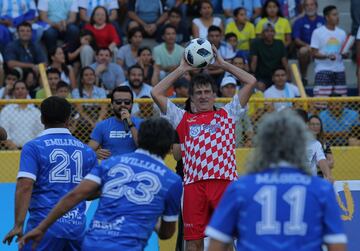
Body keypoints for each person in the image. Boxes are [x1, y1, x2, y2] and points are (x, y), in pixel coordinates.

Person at [17, 117, 183, 251]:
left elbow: (76, 195)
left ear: (140, 138)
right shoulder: (172, 181)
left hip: (93, 245)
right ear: (169, 147)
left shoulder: (111, 163)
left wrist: (42, 227)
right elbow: (167, 234)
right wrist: (153, 222)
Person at [151, 46, 256, 251]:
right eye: (198, 92)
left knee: (226, 241)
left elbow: (251, 81)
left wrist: (224, 64)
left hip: (224, 184)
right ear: (191, 98)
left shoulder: (228, 114)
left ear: (214, 95)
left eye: (207, 91)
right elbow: (155, 92)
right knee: (193, 243)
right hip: (192, 186)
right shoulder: (182, 118)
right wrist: (182, 69)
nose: (203, 96)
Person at [206, 110, 347, 251]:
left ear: (263, 146)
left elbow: (216, 245)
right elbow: (337, 246)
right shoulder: (321, 189)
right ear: (300, 145)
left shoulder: (240, 188)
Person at [2, 96, 98, 250]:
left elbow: (25, 185)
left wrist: (18, 225)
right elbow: (93, 191)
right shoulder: (87, 151)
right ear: (68, 119)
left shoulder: (33, 147)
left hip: (42, 228)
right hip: (75, 229)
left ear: (41, 118)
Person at [88, 86, 142, 160]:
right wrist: (95, 154)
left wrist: (130, 124)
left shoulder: (142, 124)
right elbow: (88, 151)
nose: (123, 105)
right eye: (118, 102)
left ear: (132, 104)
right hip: (111, 169)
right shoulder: (102, 126)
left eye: (127, 102)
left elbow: (143, 148)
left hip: (133, 168)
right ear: (112, 105)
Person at [310, 5, 347, 97]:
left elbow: (343, 52)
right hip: (323, 70)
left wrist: (345, 54)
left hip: (340, 70)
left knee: (341, 102)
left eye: (337, 14)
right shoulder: (317, 32)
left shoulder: (342, 33)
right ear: (327, 17)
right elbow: (314, 53)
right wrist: (327, 56)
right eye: (334, 15)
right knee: (321, 102)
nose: (337, 17)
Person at [0, 81, 43, 149]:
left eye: (23, 88)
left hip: (32, 151)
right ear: (13, 92)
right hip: (11, 151)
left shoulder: (36, 112)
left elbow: (40, 133)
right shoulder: (6, 110)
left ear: (27, 91)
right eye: (17, 89)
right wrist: (15, 150)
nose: (20, 90)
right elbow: (4, 135)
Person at [292, 0, 325, 84]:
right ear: (304, 7)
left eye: (312, 5)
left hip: (321, 48)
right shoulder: (299, 21)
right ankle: (304, 77)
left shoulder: (323, 20)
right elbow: (296, 40)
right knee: (303, 51)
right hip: (307, 48)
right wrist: (309, 46)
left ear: (316, 6)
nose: (310, 7)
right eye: (307, 5)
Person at [250, 22, 289, 91]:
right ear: (262, 33)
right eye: (267, 31)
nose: (269, 33)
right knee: (260, 86)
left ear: (275, 33)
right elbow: (254, 62)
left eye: (272, 31)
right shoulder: (256, 43)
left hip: (276, 74)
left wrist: (288, 76)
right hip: (262, 76)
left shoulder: (279, 43)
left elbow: (285, 62)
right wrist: (253, 76)